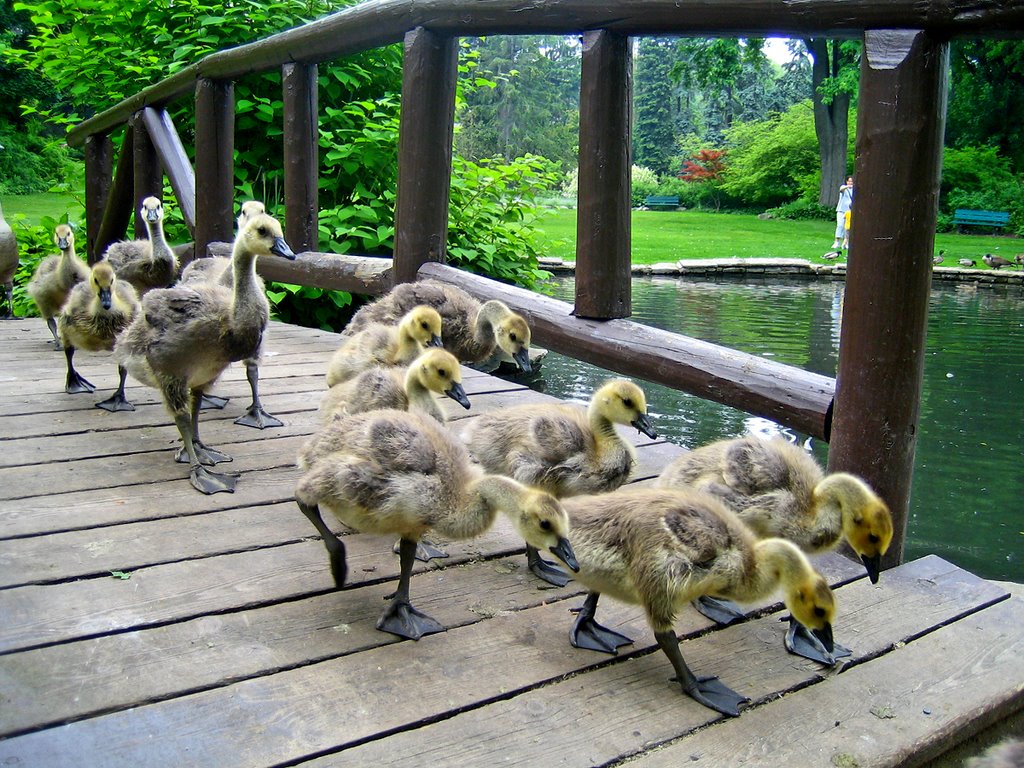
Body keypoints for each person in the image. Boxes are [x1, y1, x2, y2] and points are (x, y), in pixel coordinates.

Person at [832, 176, 853, 250]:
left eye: (852, 181)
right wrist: (848, 186)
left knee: (847, 228)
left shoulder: (854, 190)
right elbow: (841, 189)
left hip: (849, 211)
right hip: (841, 210)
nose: (850, 183)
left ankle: (846, 243)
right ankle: (836, 241)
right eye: (849, 181)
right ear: (846, 181)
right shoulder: (844, 187)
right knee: (840, 225)